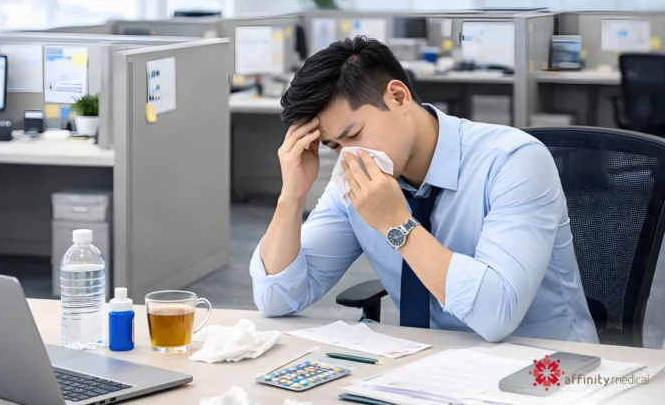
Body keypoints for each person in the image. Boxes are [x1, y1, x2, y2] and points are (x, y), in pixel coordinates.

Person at [249, 36, 598, 343]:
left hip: (544, 370)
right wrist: (292, 196)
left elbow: (497, 315)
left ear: (398, 97)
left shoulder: (512, 161)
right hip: (425, 370)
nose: (350, 156)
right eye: (333, 145)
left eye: (354, 135)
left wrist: (397, 224)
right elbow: (277, 299)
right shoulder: (355, 182)